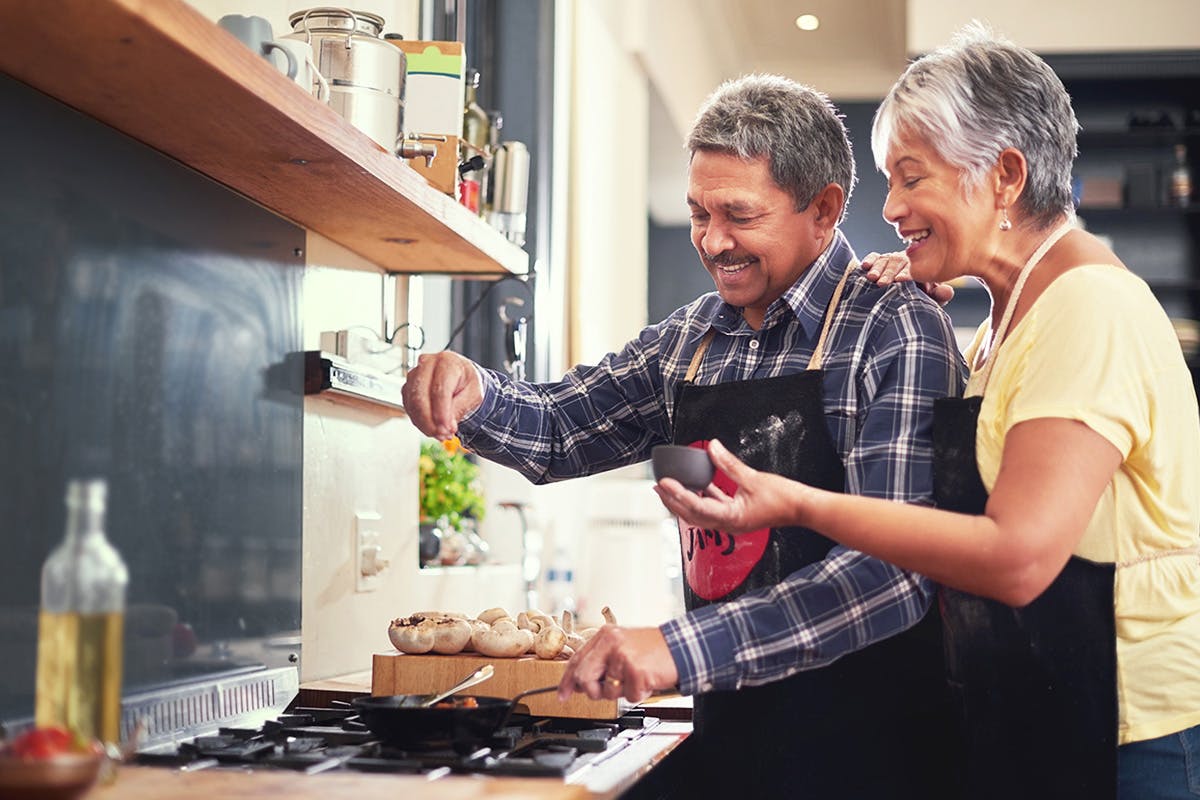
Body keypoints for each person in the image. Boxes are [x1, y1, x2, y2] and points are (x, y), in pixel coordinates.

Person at [655, 25, 1200, 800]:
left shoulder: (1088, 308)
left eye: (913, 179)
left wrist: (799, 504)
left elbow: (1017, 556)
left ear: (1005, 174)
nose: (893, 208)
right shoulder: (1004, 322)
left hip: (1132, 738)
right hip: (1043, 716)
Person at [402, 74, 966, 797]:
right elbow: (559, 426)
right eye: (698, 212)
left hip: (871, 748)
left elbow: (892, 570)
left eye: (739, 214)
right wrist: (474, 389)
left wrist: (676, 648)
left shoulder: (894, 327)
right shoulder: (692, 340)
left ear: (823, 209)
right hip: (731, 730)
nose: (712, 241)